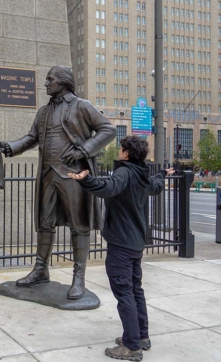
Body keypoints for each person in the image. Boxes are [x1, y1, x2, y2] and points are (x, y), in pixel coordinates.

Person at [0, 65, 116, 299]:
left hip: (73, 175)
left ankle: (79, 278)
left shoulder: (82, 106)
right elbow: (32, 138)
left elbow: (108, 130)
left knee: (79, 224)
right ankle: (40, 270)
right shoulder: (43, 111)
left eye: (50, 79)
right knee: (44, 223)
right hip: (47, 174)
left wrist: (84, 150)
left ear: (63, 81)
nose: (46, 83)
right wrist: (9, 147)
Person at [68, 136, 175, 361]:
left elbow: (108, 187)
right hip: (135, 244)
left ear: (126, 153)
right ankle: (141, 336)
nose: (119, 151)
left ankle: (131, 346)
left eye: (121, 149)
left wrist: (85, 180)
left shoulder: (124, 172)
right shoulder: (142, 174)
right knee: (135, 290)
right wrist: (164, 173)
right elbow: (156, 186)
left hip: (122, 245)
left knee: (124, 293)